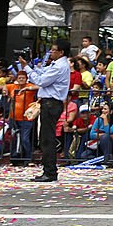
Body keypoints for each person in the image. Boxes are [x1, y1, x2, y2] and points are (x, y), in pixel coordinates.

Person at [19, 40, 72, 183]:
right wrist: (31, 66)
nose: (51, 53)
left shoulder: (59, 66)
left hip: (51, 103)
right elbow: (42, 73)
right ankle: (48, 170)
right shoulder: (55, 65)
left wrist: (27, 69)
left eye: (54, 50)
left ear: (61, 52)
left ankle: (50, 172)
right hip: (49, 103)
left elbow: (41, 81)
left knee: (47, 139)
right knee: (44, 137)